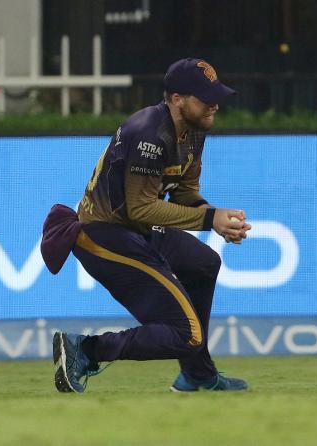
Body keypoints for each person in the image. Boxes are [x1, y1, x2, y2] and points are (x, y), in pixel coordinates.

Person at [41, 58, 251, 393]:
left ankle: (196, 374)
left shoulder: (193, 131)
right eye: (204, 96)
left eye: (216, 95)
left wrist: (216, 217)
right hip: (103, 234)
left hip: (134, 229)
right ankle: (85, 350)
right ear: (177, 98)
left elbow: (183, 193)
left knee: (204, 263)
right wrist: (210, 218)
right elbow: (141, 209)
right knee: (187, 334)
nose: (214, 104)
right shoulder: (148, 133)